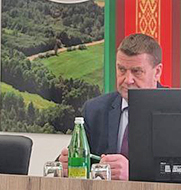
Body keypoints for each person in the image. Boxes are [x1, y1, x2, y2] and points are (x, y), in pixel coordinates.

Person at [59, 33, 162, 181]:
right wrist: (66, 166)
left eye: (136, 71)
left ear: (157, 72)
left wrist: (134, 173)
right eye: (121, 70)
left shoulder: (178, 110)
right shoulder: (95, 110)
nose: (128, 80)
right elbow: (79, 160)